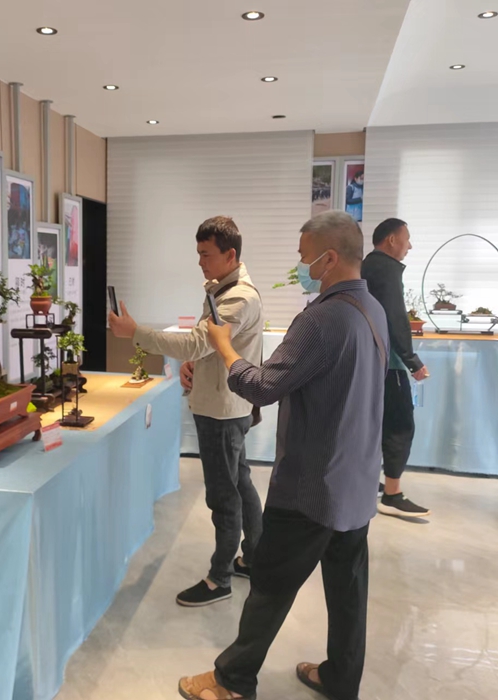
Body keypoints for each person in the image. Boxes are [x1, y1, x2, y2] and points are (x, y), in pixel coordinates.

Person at [177, 211, 388, 700]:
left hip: (312, 486)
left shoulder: (320, 319)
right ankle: (340, 679)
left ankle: (232, 682)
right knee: (348, 591)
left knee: (270, 584)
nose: (299, 266)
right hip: (357, 482)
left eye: (303, 257)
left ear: (329, 259)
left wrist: (225, 348)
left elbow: (263, 387)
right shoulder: (372, 309)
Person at [108, 216, 264, 607]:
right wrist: (196, 363)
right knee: (240, 483)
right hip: (225, 405)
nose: (200, 262)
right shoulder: (222, 289)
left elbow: (196, 342)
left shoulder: (237, 298)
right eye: (198, 253)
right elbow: (208, 347)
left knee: (224, 496)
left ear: (230, 255)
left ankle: (219, 578)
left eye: (206, 254)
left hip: (222, 412)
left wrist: (136, 333)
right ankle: (254, 558)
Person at [362, 218, 430, 518]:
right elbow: (395, 317)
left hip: (369, 360)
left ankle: (368, 481)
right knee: (400, 424)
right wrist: (412, 360)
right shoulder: (387, 269)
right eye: (407, 239)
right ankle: (392, 494)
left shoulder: (367, 265)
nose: (409, 246)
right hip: (389, 363)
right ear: (391, 240)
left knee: (372, 424)